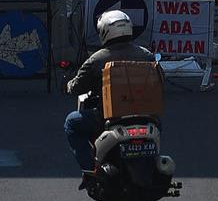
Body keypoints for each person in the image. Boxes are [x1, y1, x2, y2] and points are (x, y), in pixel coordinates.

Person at [64, 10, 157, 179]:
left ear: (104, 32)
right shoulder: (147, 55)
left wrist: (69, 85)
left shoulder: (96, 59)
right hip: (146, 117)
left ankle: (90, 171)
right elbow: (160, 81)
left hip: (108, 117)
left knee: (71, 122)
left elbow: (77, 87)